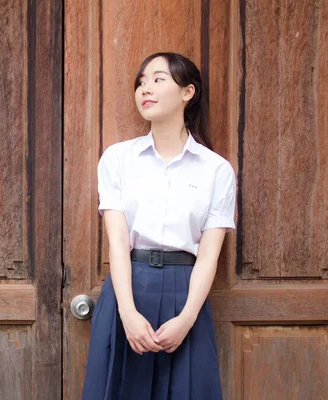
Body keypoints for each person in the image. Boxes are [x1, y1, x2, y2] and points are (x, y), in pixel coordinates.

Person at [81, 52, 236, 400]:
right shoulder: (118, 159)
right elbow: (117, 244)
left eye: (157, 79)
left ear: (187, 92)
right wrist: (128, 313)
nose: (144, 89)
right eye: (140, 81)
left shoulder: (216, 170)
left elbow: (208, 257)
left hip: (186, 293)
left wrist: (186, 320)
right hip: (128, 288)